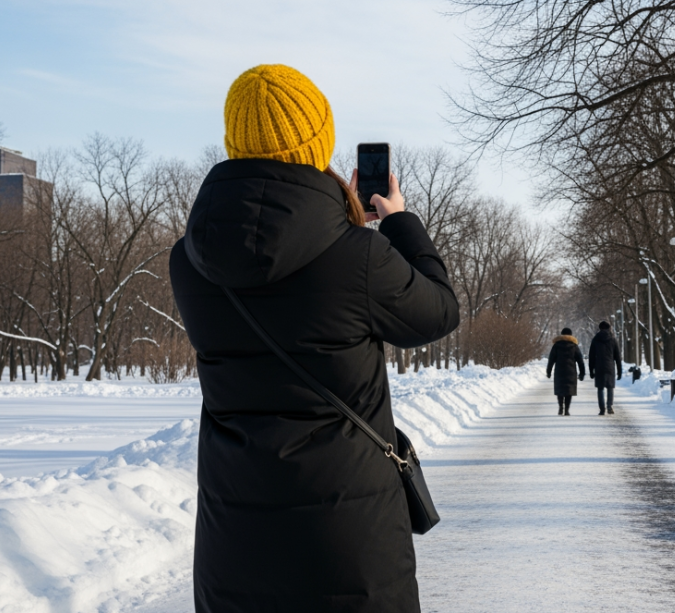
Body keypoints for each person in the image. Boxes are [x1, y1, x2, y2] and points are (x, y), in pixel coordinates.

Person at [170, 64, 460, 613]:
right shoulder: (360, 257)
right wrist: (396, 223)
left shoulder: (188, 261)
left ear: (236, 141)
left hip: (234, 540)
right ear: (317, 143)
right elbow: (439, 312)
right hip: (349, 540)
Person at [545, 327, 585, 415]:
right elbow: (580, 360)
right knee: (569, 391)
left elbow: (551, 359)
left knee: (560, 390)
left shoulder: (556, 345)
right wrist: (582, 373)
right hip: (571, 371)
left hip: (559, 370)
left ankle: (560, 408)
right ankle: (566, 410)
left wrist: (548, 371)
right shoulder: (574, 346)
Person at [588, 321, 622, 415]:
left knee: (600, 388)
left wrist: (591, 370)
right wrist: (619, 371)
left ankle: (602, 408)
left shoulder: (595, 339)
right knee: (610, 387)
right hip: (610, 366)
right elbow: (618, 357)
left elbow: (591, 356)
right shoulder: (613, 339)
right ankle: (609, 406)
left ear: (600, 328)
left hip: (599, 367)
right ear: (609, 328)